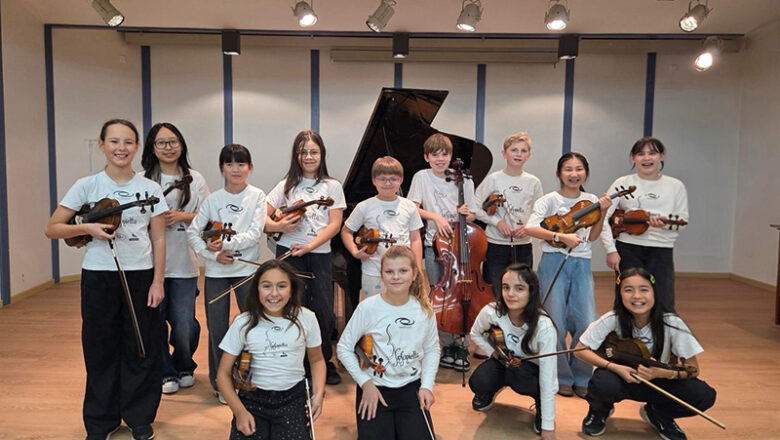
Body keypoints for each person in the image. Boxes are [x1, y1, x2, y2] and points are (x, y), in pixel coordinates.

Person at [45, 119, 168, 440]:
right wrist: (87, 228)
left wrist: (158, 282)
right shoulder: (87, 185)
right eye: (114, 142)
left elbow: (158, 240)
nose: (121, 148)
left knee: (141, 346)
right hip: (99, 277)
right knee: (100, 348)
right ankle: (102, 421)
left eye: (128, 142)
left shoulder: (150, 189)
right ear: (102, 145)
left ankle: (139, 417)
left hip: (141, 276)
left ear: (137, 147)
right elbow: (53, 227)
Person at [575, 267, 716, 440]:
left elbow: (693, 368)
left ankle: (659, 413)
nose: (636, 296)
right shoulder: (612, 319)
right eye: (628, 290)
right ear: (620, 295)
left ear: (654, 292)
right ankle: (600, 410)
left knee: (703, 395)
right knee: (602, 382)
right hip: (621, 378)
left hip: (659, 381)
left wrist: (661, 373)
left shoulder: (672, 323)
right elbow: (579, 349)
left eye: (644, 289)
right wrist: (615, 367)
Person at [525, 152, 611, 398]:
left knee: (585, 320)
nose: (574, 174)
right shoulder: (549, 200)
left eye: (579, 169)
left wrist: (603, 211)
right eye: (569, 169)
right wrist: (559, 237)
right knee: (555, 322)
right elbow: (531, 228)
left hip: (582, 263)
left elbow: (593, 237)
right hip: (553, 262)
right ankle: (562, 376)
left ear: (586, 172)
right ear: (559, 173)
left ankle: (583, 374)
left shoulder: (591, 199)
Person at [264, 130, 346, 385]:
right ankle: (293, 361)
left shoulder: (332, 186)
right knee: (291, 307)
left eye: (314, 151)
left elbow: (334, 225)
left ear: (321, 155)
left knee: (322, 310)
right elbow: (263, 219)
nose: (308, 156)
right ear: (296, 156)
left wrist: (310, 245)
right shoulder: (285, 185)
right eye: (303, 152)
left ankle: (322, 361)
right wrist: (279, 227)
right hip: (288, 254)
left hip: (318, 253)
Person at [187, 144, 267, 404]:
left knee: (250, 325)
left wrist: (226, 244)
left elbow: (255, 234)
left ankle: (249, 375)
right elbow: (193, 233)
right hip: (216, 272)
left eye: (241, 164)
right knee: (217, 328)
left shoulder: (257, 196)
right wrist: (212, 255)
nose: (236, 169)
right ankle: (221, 383)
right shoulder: (213, 200)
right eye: (230, 164)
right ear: (222, 168)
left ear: (250, 168)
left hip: (246, 270)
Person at [336, 245, 440, 440]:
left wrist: (426, 386)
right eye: (389, 272)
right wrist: (365, 384)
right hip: (375, 388)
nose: (396, 277)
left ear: (414, 273)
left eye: (403, 271)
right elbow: (343, 348)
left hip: (410, 388)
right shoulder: (368, 308)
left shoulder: (424, 310)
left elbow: (432, 349)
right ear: (381, 274)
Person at [216, 259, 326, 440]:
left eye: (282, 286)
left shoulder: (307, 318)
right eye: (266, 286)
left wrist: (319, 394)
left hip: (292, 398)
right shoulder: (243, 322)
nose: (274, 293)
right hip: (252, 400)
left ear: (291, 289)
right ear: (256, 289)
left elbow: (317, 360)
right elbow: (223, 373)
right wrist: (239, 412)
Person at [141, 122, 209, 395]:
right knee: (154, 322)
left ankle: (184, 365)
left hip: (184, 263)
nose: (168, 148)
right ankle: (165, 371)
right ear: (152, 148)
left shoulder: (196, 178)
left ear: (181, 145)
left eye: (173, 142)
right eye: (161, 143)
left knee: (184, 324)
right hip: (147, 264)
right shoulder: (142, 179)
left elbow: (208, 217)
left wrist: (182, 217)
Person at [407, 133, 478, 372]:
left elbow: (473, 214)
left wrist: (467, 213)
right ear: (426, 157)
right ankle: (447, 345)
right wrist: (435, 216)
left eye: (445, 154)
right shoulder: (421, 177)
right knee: (441, 295)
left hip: (462, 246)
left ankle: (463, 344)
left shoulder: (464, 180)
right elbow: (413, 208)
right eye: (435, 154)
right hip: (435, 245)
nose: (440, 159)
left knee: (464, 293)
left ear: (451, 156)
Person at [468, 263, 558, 439]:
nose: (510, 294)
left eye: (519, 288)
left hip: (530, 370)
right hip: (504, 361)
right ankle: (491, 390)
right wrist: (492, 352)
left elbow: (548, 379)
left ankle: (541, 406)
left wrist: (548, 426)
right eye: (506, 287)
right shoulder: (492, 311)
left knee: (521, 378)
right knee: (478, 381)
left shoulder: (544, 326)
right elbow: (475, 333)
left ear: (531, 292)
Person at [601, 137, 689, 313]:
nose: (646, 158)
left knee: (663, 300)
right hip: (628, 248)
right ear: (633, 158)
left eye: (652, 153)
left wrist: (662, 224)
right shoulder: (623, 183)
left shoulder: (675, 186)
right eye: (640, 154)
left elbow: (682, 221)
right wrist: (611, 250)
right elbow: (603, 216)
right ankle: (625, 339)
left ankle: (660, 339)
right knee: (626, 300)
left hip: (661, 249)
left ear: (661, 156)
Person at [340, 156, 423, 299]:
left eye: (393, 179)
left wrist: (417, 267)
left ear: (401, 180)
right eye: (382, 179)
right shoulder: (364, 206)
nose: (388, 183)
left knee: (401, 310)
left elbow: (415, 239)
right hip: (373, 270)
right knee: (374, 311)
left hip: (403, 271)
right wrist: (354, 252)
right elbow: (346, 231)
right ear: (374, 180)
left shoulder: (409, 206)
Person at [474, 132, 543, 287]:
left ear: (528, 155)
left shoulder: (534, 182)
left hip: (523, 244)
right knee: (495, 287)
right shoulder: (493, 179)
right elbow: (475, 207)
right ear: (504, 153)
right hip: (495, 244)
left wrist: (528, 228)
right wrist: (497, 222)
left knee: (522, 286)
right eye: (514, 150)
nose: (518, 154)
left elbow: (540, 213)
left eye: (523, 151)